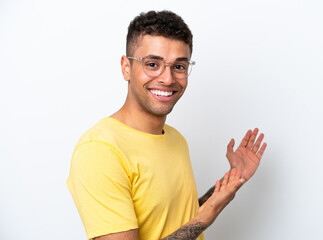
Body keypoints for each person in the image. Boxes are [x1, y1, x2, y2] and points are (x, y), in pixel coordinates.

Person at [67, 10, 267, 240]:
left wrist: (233, 177)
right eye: (153, 64)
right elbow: (197, 219)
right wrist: (205, 219)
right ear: (126, 67)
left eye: (179, 66)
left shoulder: (175, 139)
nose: (168, 78)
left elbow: (181, 217)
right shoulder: (100, 150)